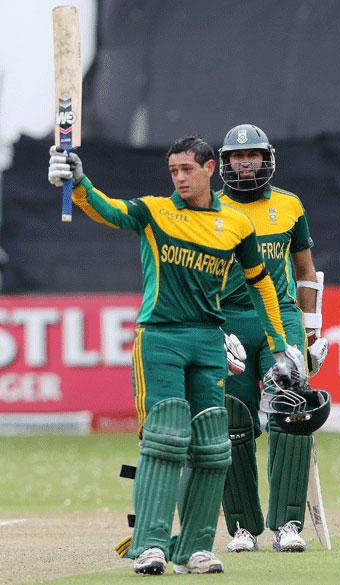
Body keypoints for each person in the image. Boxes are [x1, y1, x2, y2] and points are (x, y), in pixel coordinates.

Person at [48, 136, 304, 575]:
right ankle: (149, 546)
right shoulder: (156, 211)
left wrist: (280, 346)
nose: (180, 178)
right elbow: (109, 210)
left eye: (187, 169)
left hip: (209, 339)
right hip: (161, 337)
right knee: (165, 437)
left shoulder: (236, 223)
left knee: (211, 446)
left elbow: (261, 282)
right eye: (173, 171)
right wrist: (78, 182)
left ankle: (195, 548)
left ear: (208, 169)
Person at [217, 124, 328, 553]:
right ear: (224, 164)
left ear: (267, 158)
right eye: (236, 157)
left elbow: (304, 272)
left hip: (280, 321)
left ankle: (288, 525)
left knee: (291, 411)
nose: (246, 163)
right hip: (231, 320)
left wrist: (311, 329)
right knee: (234, 421)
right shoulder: (211, 210)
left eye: (254, 155)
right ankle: (244, 527)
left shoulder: (289, 205)